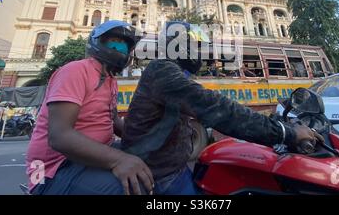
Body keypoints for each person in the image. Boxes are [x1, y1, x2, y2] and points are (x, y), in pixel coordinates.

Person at [121, 21, 323, 195]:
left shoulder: (170, 72)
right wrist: (286, 133)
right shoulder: (162, 71)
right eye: (195, 46)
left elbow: (214, 105)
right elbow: (219, 109)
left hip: (171, 166)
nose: (199, 52)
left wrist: (275, 121)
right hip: (161, 175)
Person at [26, 20, 154, 195]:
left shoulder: (110, 80)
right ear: (98, 42)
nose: (121, 47)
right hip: (50, 170)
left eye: (125, 44)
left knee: (153, 164)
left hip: (89, 157)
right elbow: (59, 136)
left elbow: (113, 120)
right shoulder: (75, 70)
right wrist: (119, 160)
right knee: (132, 188)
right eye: (115, 41)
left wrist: (147, 139)